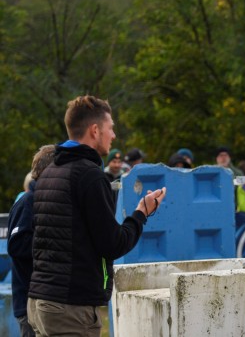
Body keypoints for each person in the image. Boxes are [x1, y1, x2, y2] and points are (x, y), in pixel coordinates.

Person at [27, 95, 166, 337]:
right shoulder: (90, 176)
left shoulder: (49, 173)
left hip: (40, 300)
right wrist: (142, 213)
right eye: (110, 128)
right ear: (95, 130)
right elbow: (112, 244)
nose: (113, 135)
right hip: (70, 308)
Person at [8, 145, 56, 337]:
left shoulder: (46, 200)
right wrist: (54, 243)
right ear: (49, 171)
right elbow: (17, 245)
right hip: (29, 302)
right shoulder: (28, 201)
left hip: (45, 299)